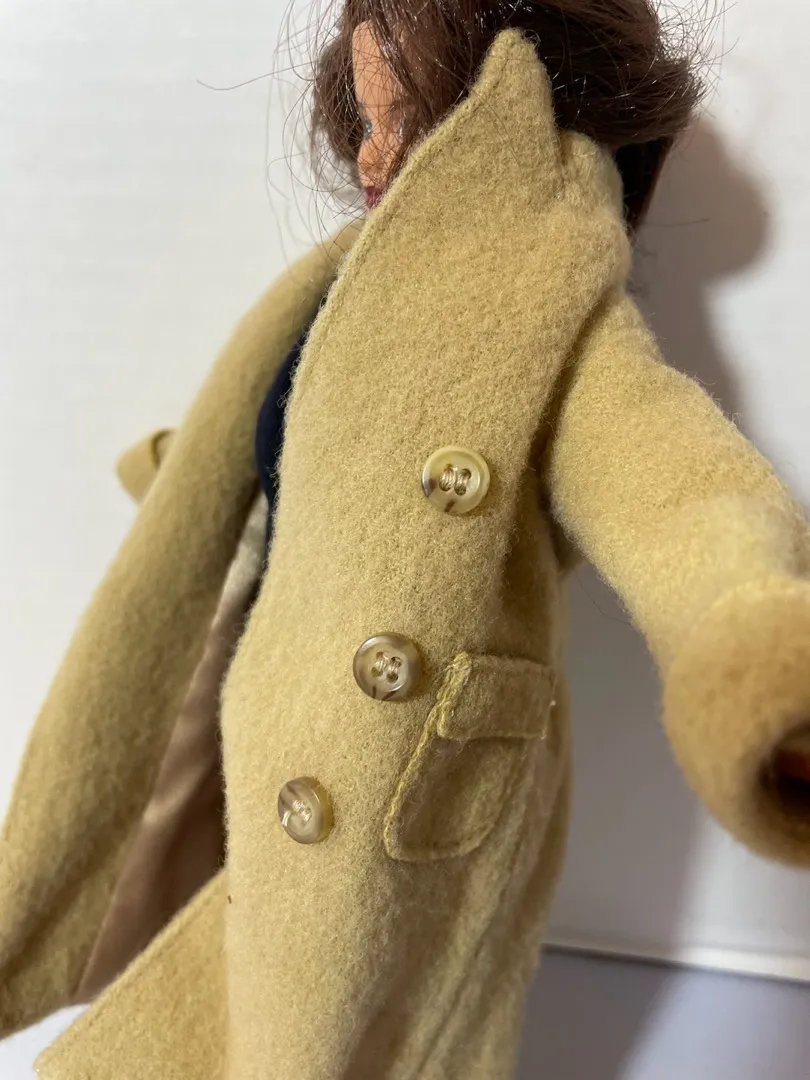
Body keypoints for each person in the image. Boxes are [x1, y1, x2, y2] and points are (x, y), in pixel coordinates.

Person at [3, 4, 810, 1078]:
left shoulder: (559, 316)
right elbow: (305, 435)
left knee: (328, 1029)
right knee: (200, 928)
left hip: (397, 774)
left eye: (408, 120)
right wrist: (190, 472)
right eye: (366, 121)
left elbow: (675, 487)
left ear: (509, 107)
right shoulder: (339, 280)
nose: (373, 159)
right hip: (265, 679)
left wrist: (749, 639)